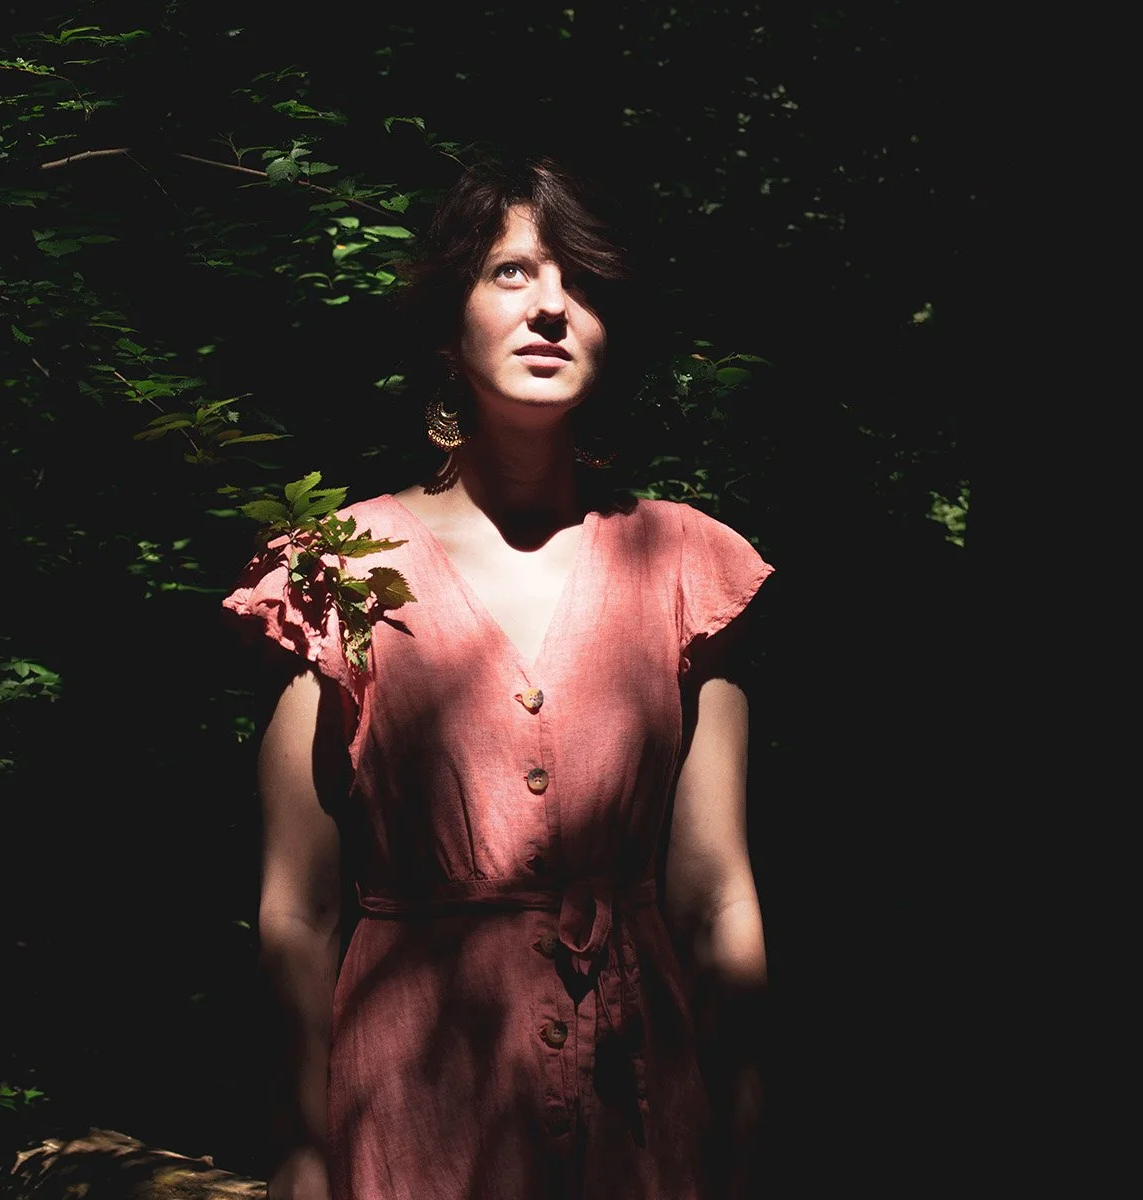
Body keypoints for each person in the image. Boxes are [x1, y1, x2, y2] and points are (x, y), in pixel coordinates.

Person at [223, 157, 773, 1200]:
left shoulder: (687, 564)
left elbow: (716, 900)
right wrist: (299, 1150)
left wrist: (743, 1142)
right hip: (416, 1111)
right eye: (512, 271)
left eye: (584, 282)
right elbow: (297, 909)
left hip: (640, 1113)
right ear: (448, 326)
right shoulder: (336, 571)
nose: (553, 307)